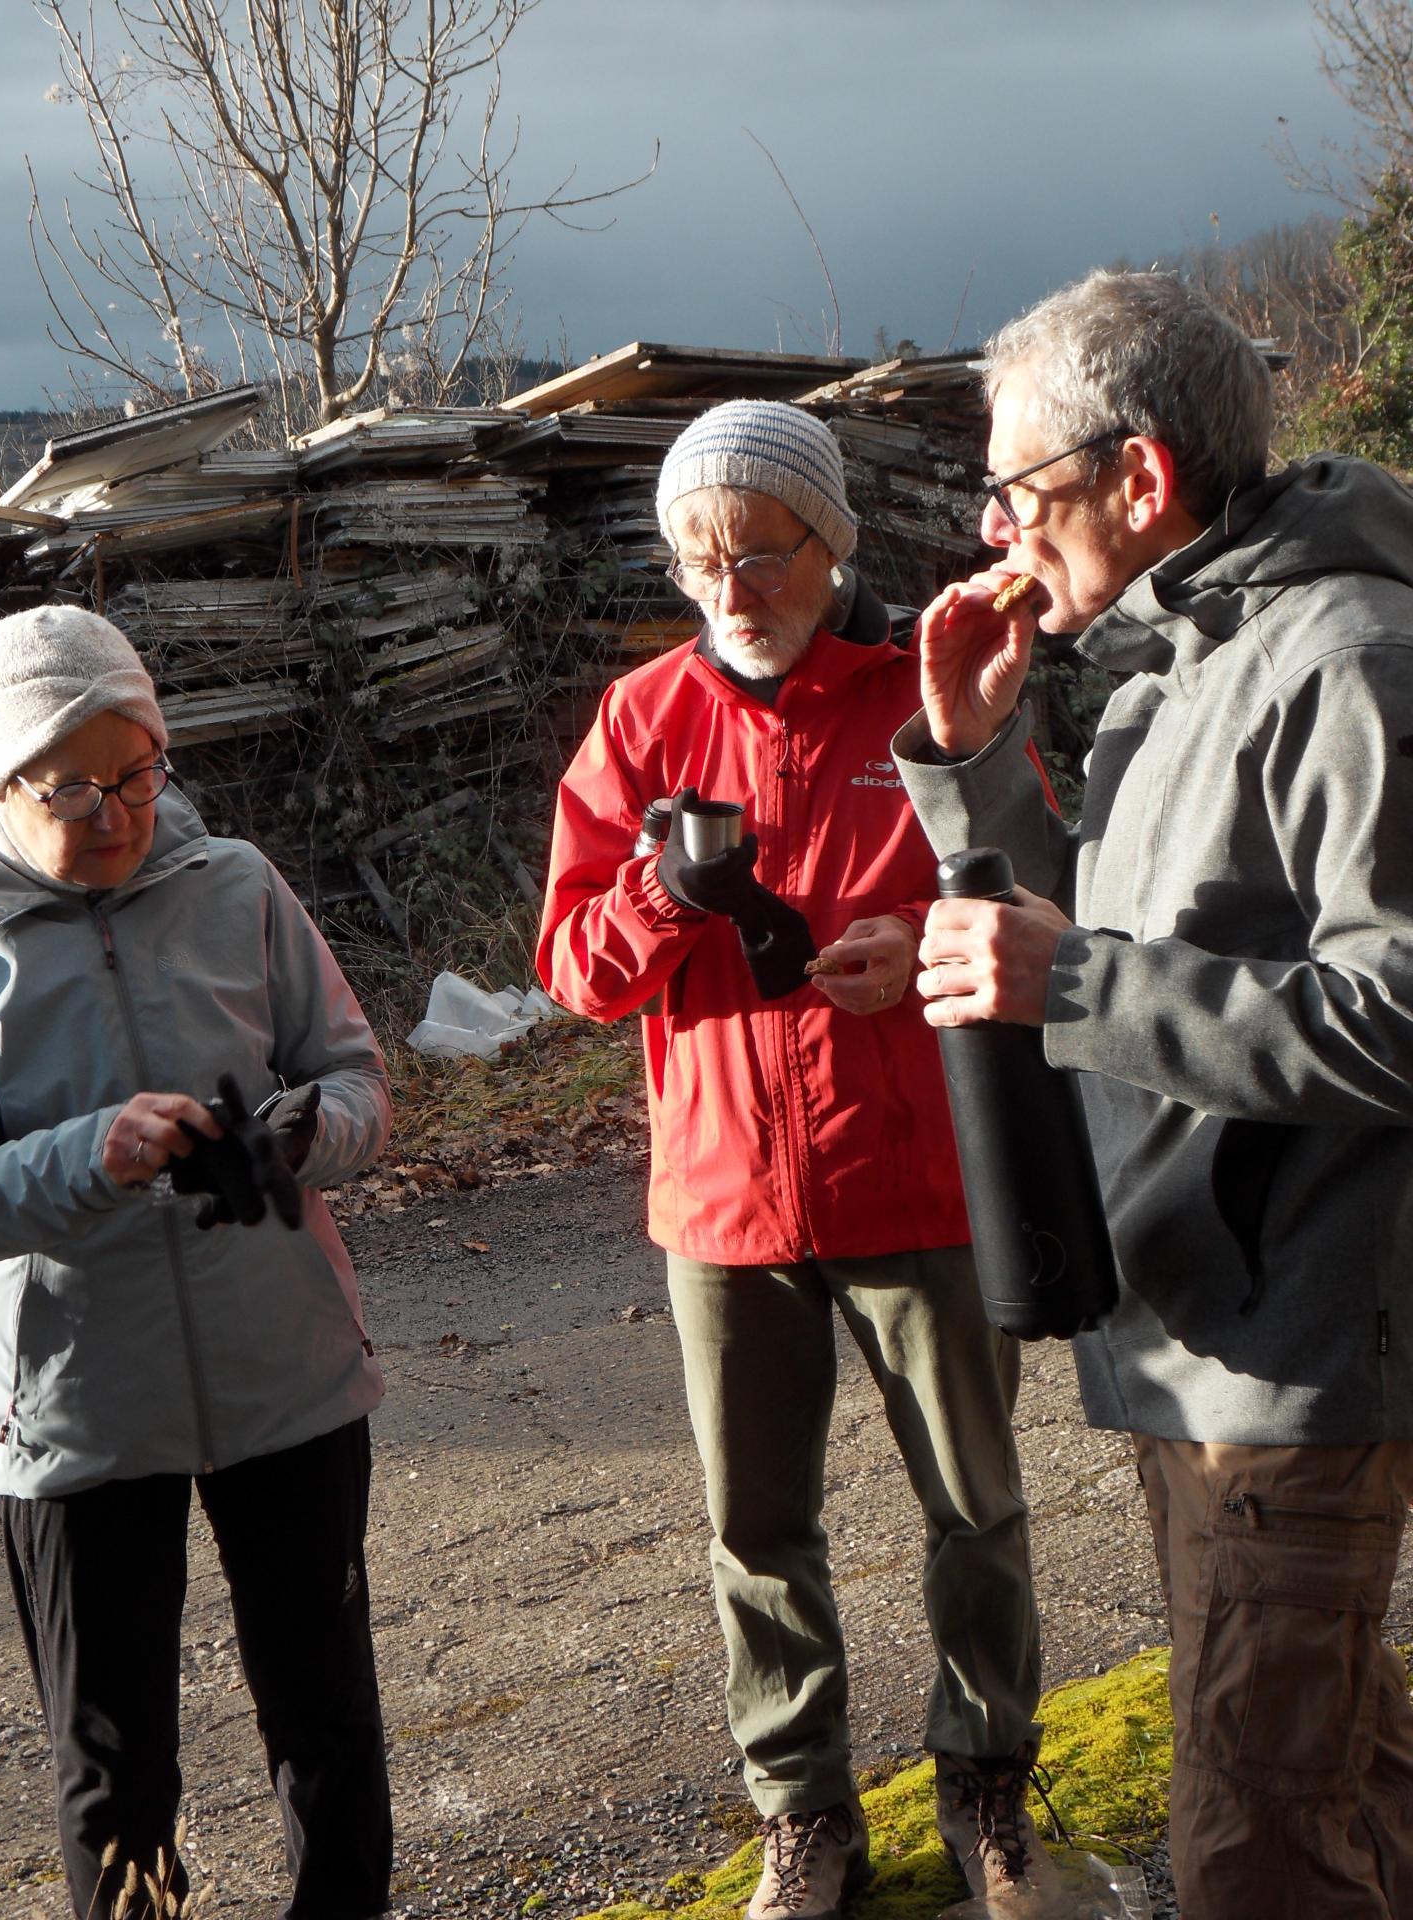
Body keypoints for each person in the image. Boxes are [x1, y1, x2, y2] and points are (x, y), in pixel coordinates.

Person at [892, 269, 1413, 1918]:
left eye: (1016, 489)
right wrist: (976, 759)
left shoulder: (1350, 657)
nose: (995, 530)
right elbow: (1102, 952)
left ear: (1141, 480)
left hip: (1297, 1356)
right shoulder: (1163, 667)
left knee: (1250, 1845)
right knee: (1337, 1773)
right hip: (1189, 1332)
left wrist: (1083, 983)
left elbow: (1396, 1012)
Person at [538, 400, 1062, 1919]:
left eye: (762, 550)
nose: (732, 585)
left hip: (916, 1178)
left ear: (831, 547)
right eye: (703, 556)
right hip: (723, 1201)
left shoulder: (924, 694)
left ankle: (989, 1791)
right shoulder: (641, 723)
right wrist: (662, 907)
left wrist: (924, 941)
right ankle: (804, 1816)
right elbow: (574, 968)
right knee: (754, 1527)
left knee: (976, 1502)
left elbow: (1039, 887)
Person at [0, 606, 394, 1920]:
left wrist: (310, 1132)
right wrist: (90, 1154)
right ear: (0, 785)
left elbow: (355, 1076)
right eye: (76, 788)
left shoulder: (240, 886)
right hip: (78, 1415)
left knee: (326, 1724)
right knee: (118, 1771)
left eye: (139, 773)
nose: (117, 814)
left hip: (288, 1379)